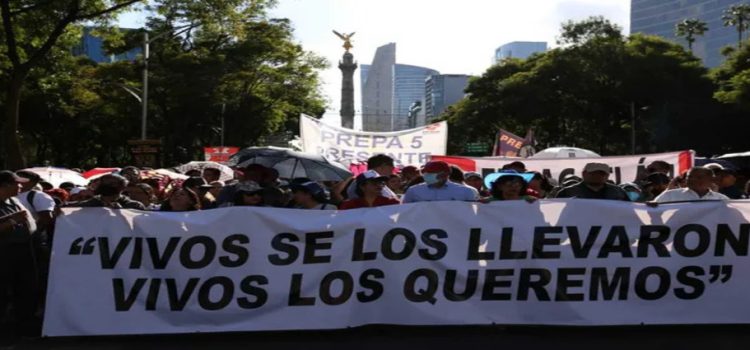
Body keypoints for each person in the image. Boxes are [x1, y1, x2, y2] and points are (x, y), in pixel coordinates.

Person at [0, 171, 40, 338]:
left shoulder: (15, 201)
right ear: (4, 185)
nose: (21, 186)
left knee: (26, 290)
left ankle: (25, 327)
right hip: (4, 254)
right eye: (17, 183)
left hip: (23, 253)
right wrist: (12, 220)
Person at [402, 161, 478, 203]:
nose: (426, 175)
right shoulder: (413, 191)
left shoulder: (465, 191)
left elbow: (470, 215)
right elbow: (405, 211)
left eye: (431, 173)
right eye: (424, 173)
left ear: (445, 174)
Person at [65, 174, 146, 210]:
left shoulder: (134, 206)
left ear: (122, 187)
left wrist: (124, 212)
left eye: (111, 184)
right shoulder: (89, 205)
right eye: (103, 182)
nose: (105, 185)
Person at [555, 163, 629, 201]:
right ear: (584, 174)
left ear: (607, 176)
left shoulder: (618, 192)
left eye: (602, 173)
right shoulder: (567, 192)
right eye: (593, 173)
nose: (597, 176)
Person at [653, 167, 730, 203]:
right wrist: (651, 206)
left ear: (711, 180)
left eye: (699, 177)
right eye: (689, 177)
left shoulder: (722, 200)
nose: (693, 179)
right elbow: (653, 211)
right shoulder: (670, 195)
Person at [14, 171, 55, 236]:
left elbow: (46, 218)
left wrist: (33, 234)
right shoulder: (11, 195)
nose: (17, 181)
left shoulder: (38, 196)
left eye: (21, 179)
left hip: (31, 239)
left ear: (33, 183)